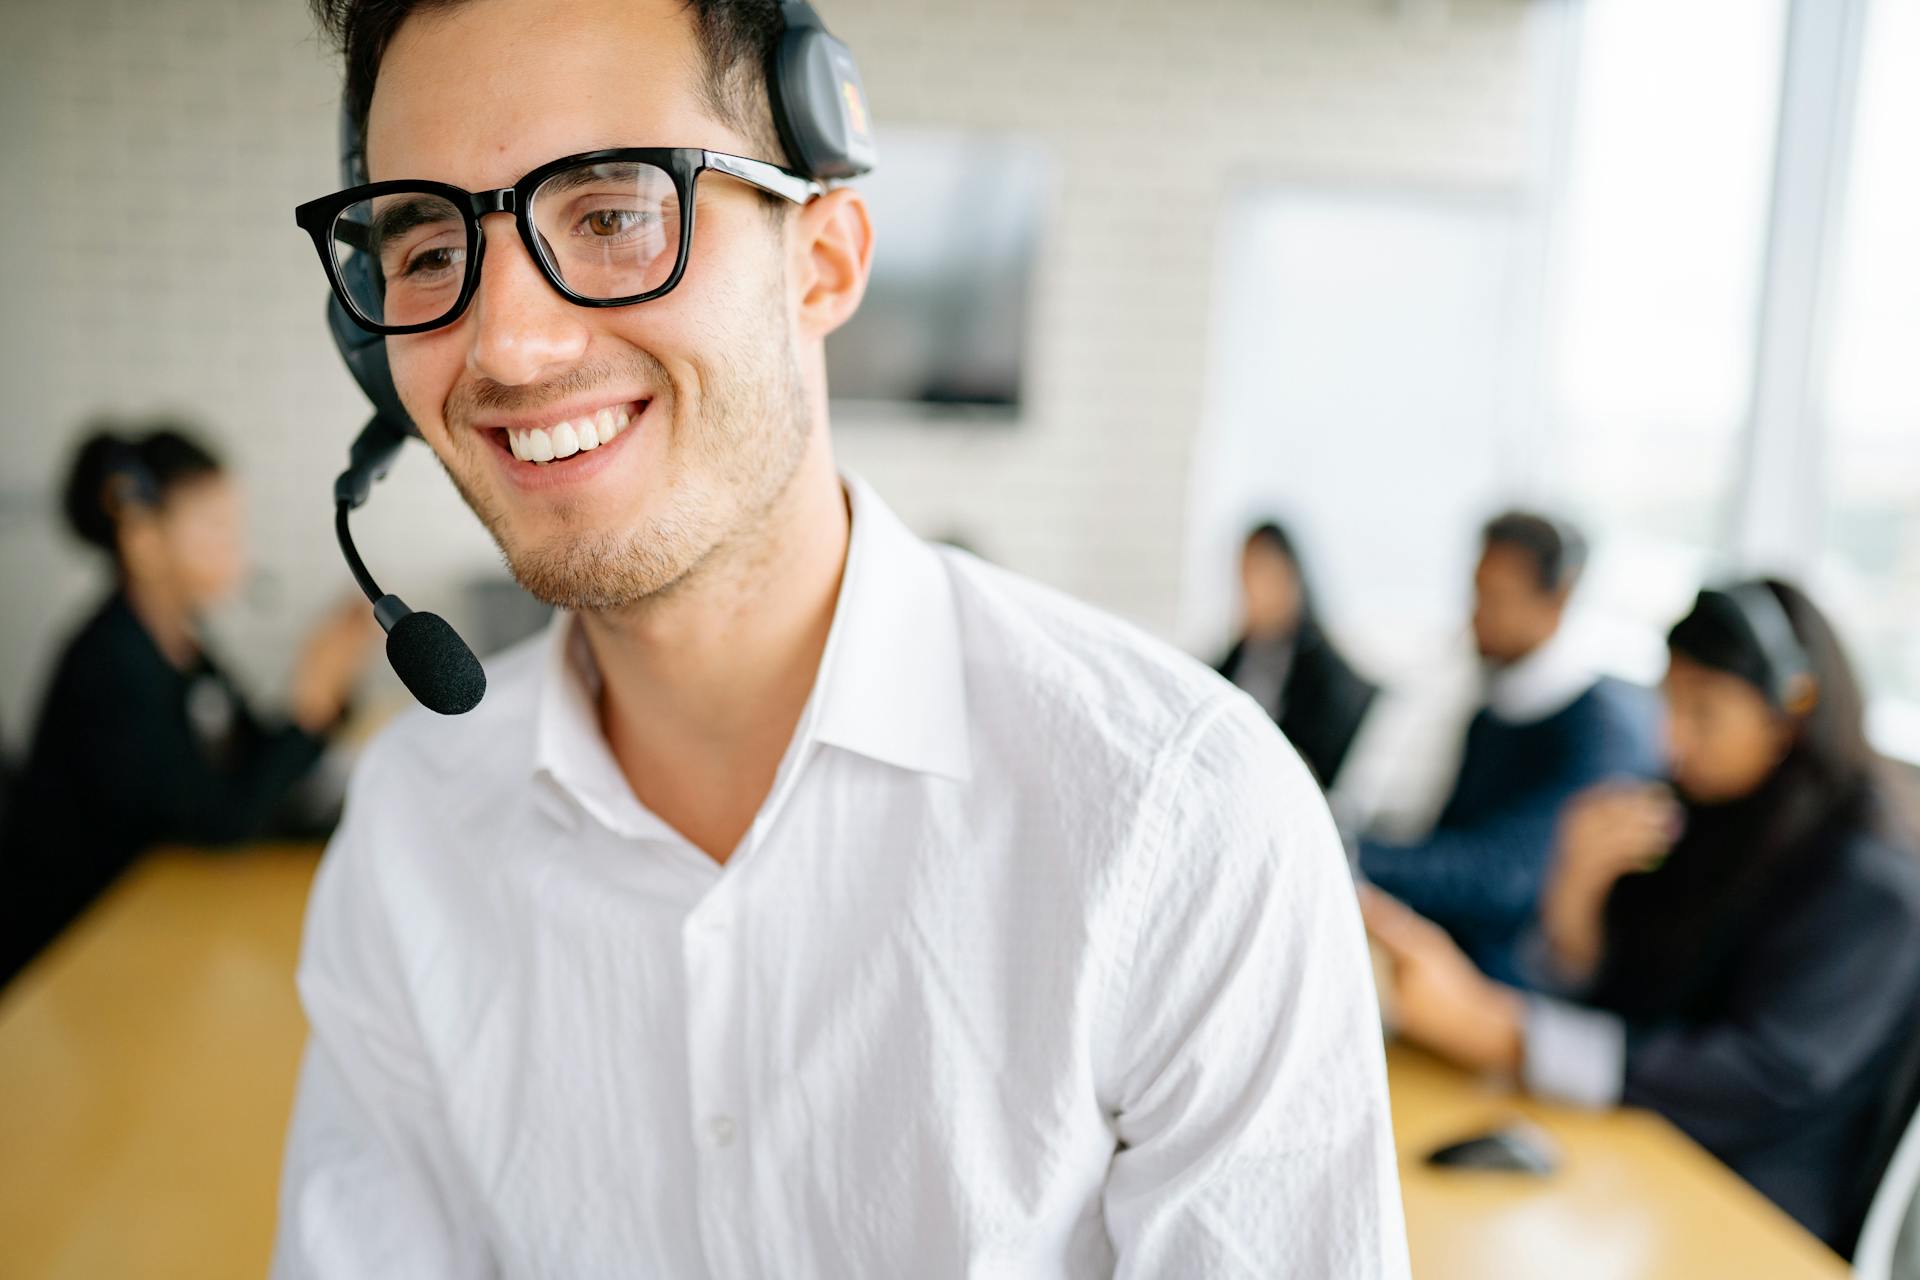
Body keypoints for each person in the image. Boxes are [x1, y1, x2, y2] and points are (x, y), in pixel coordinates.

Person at [269, 1, 1408, 1275]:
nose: (509, 343)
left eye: (611, 214)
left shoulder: (1180, 819)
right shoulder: (413, 830)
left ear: (824, 260)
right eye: (427, 250)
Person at [1364, 580, 1920, 1252]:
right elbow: (1622, 1001)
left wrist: (1509, 1033)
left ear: (1790, 714)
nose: (1672, 737)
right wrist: (1575, 893)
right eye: (1668, 701)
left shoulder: (1871, 879)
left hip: (1752, 1205)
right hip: (1634, 1155)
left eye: (1704, 712)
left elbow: (1760, 1077)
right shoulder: (1701, 814)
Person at [0, 425, 375, 988]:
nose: (236, 550)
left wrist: (326, 690)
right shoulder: (110, 663)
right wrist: (308, 703)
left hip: (153, 919)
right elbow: (214, 821)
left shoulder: (182, 640)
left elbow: (252, 755)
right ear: (143, 541)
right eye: (216, 529)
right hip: (73, 952)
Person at [1357, 511, 1661, 985]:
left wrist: (1359, 857)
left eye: (1497, 598)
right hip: (1438, 961)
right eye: (1475, 592)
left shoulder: (1596, 731)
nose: (1476, 615)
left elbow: (1506, 877)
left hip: (1508, 989)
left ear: (1557, 601)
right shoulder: (1492, 704)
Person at [1216, 520, 1378, 789]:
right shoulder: (1231, 661)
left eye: (1261, 575)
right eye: (1244, 575)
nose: (1250, 590)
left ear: (1291, 577)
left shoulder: (1328, 679)